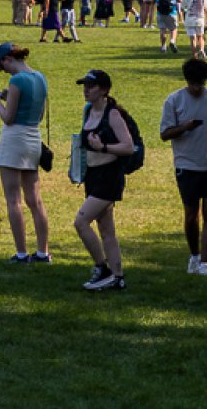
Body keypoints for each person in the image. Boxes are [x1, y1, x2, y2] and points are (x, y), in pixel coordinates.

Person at [161, 56, 207, 276]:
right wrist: (184, 127)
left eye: (201, 84)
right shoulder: (173, 101)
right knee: (191, 214)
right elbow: (164, 134)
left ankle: (205, 262)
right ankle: (194, 256)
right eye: (194, 84)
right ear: (187, 81)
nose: (197, 88)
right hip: (187, 165)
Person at [0, 42, 51, 263]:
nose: (4, 71)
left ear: (7, 59)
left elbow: (8, 117)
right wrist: (9, 97)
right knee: (35, 200)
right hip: (34, 137)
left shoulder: (16, 80)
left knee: (13, 199)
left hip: (14, 139)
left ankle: (22, 253)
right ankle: (43, 252)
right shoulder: (40, 77)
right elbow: (39, 114)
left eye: (2, 66)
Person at [74, 68, 135, 291]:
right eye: (84, 85)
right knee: (107, 229)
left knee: (81, 222)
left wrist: (104, 147)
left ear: (104, 90)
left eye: (91, 86)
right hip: (92, 175)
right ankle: (118, 278)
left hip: (109, 177)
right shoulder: (88, 111)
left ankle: (102, 268)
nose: (86, 90)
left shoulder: (113, 114)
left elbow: (128, 147)